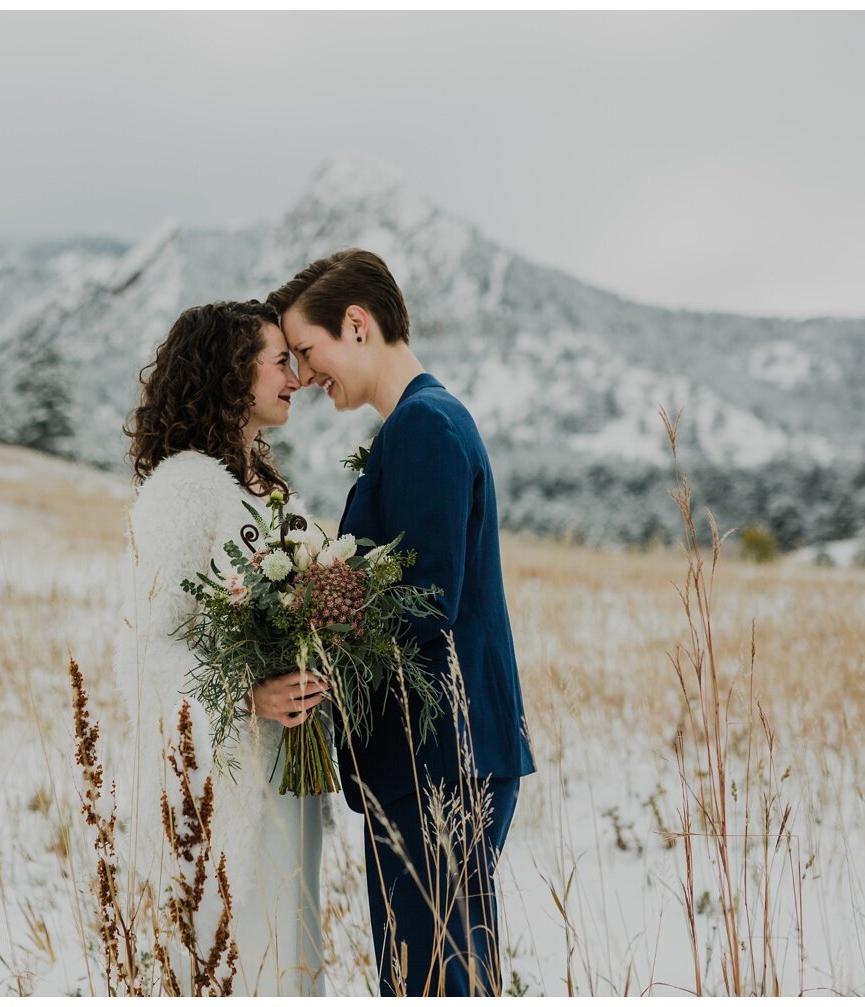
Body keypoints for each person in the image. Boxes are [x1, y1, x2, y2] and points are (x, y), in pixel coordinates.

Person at [268, 249, 536, 996]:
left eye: (306, 350)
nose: (305, 374)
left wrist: (313, 618)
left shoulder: (424, 426)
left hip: (439, 757)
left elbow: (425, 597)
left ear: (356, 325)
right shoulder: (421, 422)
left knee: (433, 983)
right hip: (437, 755)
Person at [113, 299, 327, 995]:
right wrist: (246, 694)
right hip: (229, 778)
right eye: (278, 360)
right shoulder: (183, 491)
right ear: (231, 372)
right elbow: (143, 649)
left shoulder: (264, 489)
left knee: (290, 954)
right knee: (243, 958)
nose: (294, 375)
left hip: (287, 772)